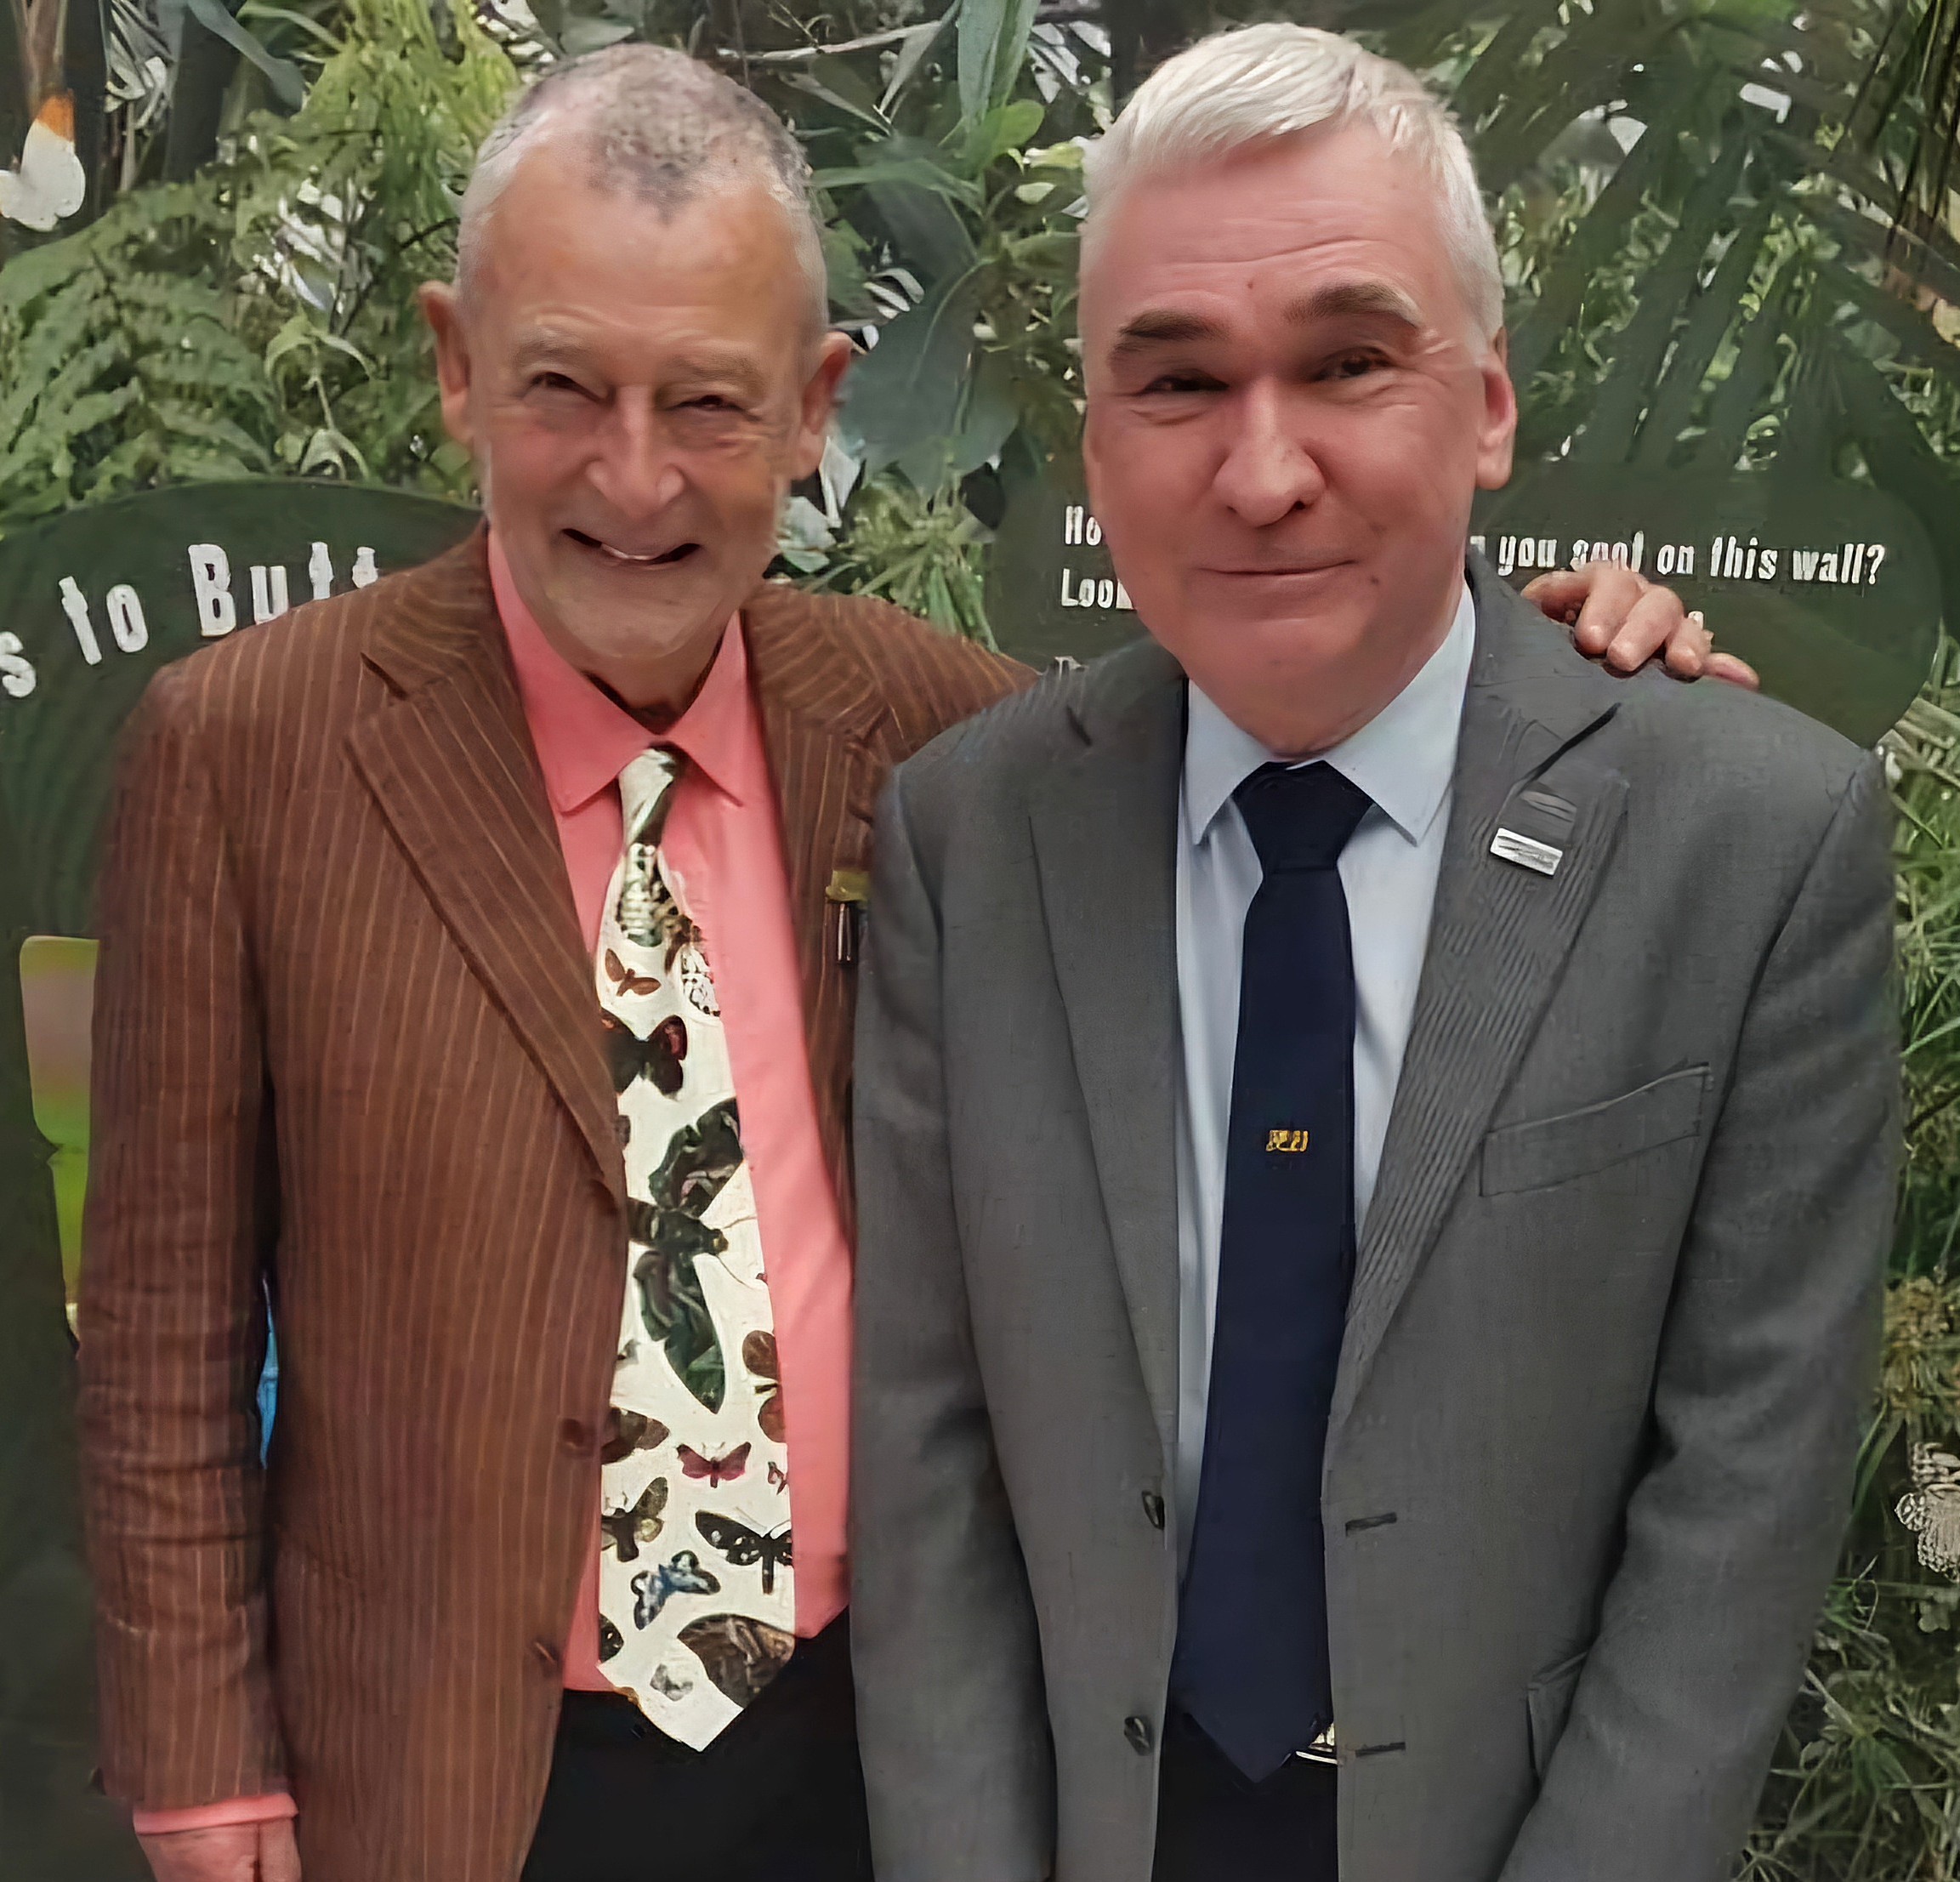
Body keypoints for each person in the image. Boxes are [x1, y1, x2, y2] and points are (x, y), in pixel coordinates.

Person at [76, 40, 1724, 1882]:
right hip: (457, 1757)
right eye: (563, 387)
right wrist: (202, 1772)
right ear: (458, 367)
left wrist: (1566, 667)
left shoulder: (945, 745)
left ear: (814, 406)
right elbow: (162, 1329)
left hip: (886, 1745)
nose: (635, 476)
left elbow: (1299, 684)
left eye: (709, 402)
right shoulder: (251, 752)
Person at [849, 26, 1898, 1882]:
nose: (1262, 471)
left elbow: (1739, 1501)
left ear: (1485, 404)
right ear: (1096, 445)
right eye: (1179, 382)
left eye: (1345, 362)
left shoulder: (1745, 843)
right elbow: (928, 1460)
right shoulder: (971, 837)